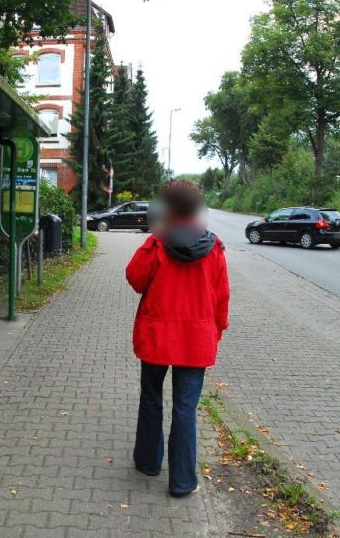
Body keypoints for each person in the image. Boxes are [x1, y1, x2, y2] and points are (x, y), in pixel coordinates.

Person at [125, 180, 230, 497]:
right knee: (185, 409)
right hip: (196, 341)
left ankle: (148, 461)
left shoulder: (158, 245)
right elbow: (221, 299)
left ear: (167, 209)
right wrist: (216, 333)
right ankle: (182, 481)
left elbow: (135, 278)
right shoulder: (214, 249)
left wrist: (153, 236)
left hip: (157, 338)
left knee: (151, 398)